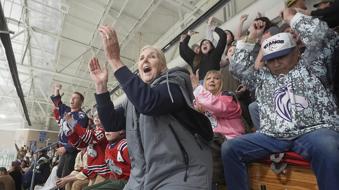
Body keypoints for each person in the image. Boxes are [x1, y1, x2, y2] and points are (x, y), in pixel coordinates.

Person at [224, 8, 339, 190]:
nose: (276, 63)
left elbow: (324, 37)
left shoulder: (314, 66)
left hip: (315, 130)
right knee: (230, 148)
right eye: (271, 59)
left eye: (281, 56)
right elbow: (237, 66)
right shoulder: (262, 77)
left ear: (296, 52)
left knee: (329, 146)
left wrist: (293, 18)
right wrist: (252, 36)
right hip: (274, 135)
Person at [88, 25, 213, 190]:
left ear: (162, 66)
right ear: (138, 70)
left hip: (183, 175)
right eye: (141, 58)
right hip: (141, 180)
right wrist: (101, 87)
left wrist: (115, 60)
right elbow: (110, 123)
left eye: (152, 57)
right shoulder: (133, 101)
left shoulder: (175, 80)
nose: (145, 60)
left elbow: (150, 103)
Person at [50, 84, 89, 178]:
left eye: (75, 98)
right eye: (71, 97)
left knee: (65, 176)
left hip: (72, 151)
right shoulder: (66, 110)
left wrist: (66, 148)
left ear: (81, 102)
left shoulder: (81, 116)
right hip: (64, 149)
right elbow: (57, 102)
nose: (72, 100)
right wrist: (56, 89)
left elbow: (80, 135)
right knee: (59, 173)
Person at [180, 16, 227, 80]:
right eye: (202, 44)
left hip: (213, 83)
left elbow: (223, 36)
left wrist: (214, 28)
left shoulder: (215, 53)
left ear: (211, 47)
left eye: (207, 43)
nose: (204, 44)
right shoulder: (196, 58)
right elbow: (184, 49)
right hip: (201, 87)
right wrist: (188, 36)